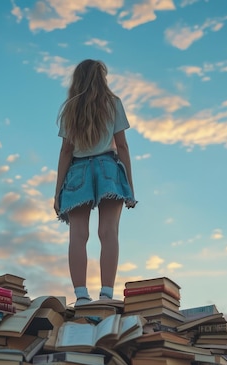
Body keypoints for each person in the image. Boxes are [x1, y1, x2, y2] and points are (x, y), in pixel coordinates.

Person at [54, 59, 137, 307]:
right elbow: (121, 145)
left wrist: (58, 190)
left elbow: (66, 151)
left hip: (78, 170)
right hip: (109, 169)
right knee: (108, 232)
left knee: (78, 236)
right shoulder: (113, 104)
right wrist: (129, 184)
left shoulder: (70, 108)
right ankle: (106, 295)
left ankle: (80, 296)